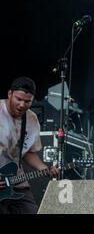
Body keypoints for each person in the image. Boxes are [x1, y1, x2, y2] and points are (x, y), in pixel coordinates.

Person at [0, 77, 58, 214]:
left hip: (16, 180)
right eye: (18, 99)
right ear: (9, 94)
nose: (22, 105)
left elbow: (27, 152)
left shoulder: (31, 118)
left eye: (27, 101)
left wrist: (45, 169)